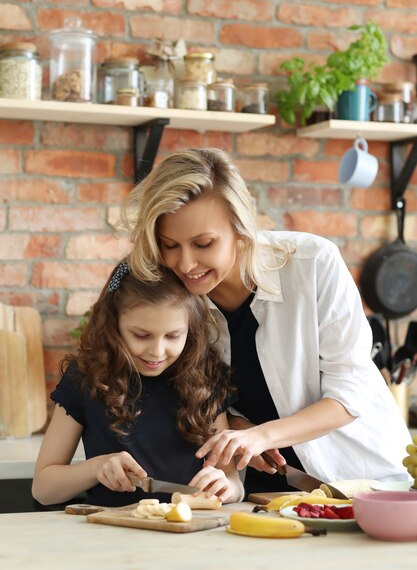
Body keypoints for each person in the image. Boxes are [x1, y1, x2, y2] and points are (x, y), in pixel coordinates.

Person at [120, 147, 411, 497]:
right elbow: (208, 399)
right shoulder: (174, 299)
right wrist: (241, 431)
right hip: (259, 493)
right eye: (169, 245)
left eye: (203, 243)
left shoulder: (313, 264)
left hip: (361, 483)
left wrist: (262, 435)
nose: (185, 264)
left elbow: (351, 394)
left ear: (240, 229)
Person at [32, 262, 244, 507]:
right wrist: (96, 467)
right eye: (141, 335)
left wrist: (227, 487)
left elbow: (233, 482)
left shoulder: (207, 377)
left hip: (189, 534)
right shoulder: (86, 377)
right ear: (114, 325)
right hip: (110, 535)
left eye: (173, 336)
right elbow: (43, 488)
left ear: (191, 329)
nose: (157, 351)